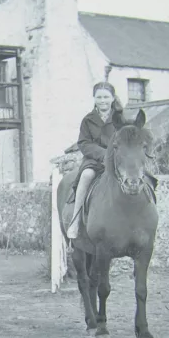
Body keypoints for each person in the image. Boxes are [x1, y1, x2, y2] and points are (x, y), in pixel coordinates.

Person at [66, 81, 125, 240]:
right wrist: (103, 154)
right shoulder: (88, 120)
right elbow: (84, 143)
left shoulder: (120, 118)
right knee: (85, 176)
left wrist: (114, 155)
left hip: (116, 160)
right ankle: (75, 220)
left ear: (113, 98)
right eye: (99, 97)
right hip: (94, 161)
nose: (102, 100)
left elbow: (126, 140)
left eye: (106, 97)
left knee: (132, 178)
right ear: (94, 99)